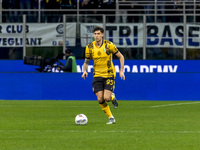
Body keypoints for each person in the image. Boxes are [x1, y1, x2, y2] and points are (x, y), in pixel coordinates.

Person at [81, 26, 125, 124]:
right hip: (97, 75)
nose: (96, 36)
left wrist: (121, 71)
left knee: (106, 98)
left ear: (102, 35)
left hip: (109, 74)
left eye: (98, 34)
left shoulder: (109, 45)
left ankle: (112, 97)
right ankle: (111, 118)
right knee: (100, 98)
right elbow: (86, 62)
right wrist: (84, 70)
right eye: (95, 34)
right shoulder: (89, 47)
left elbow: (121, 57)